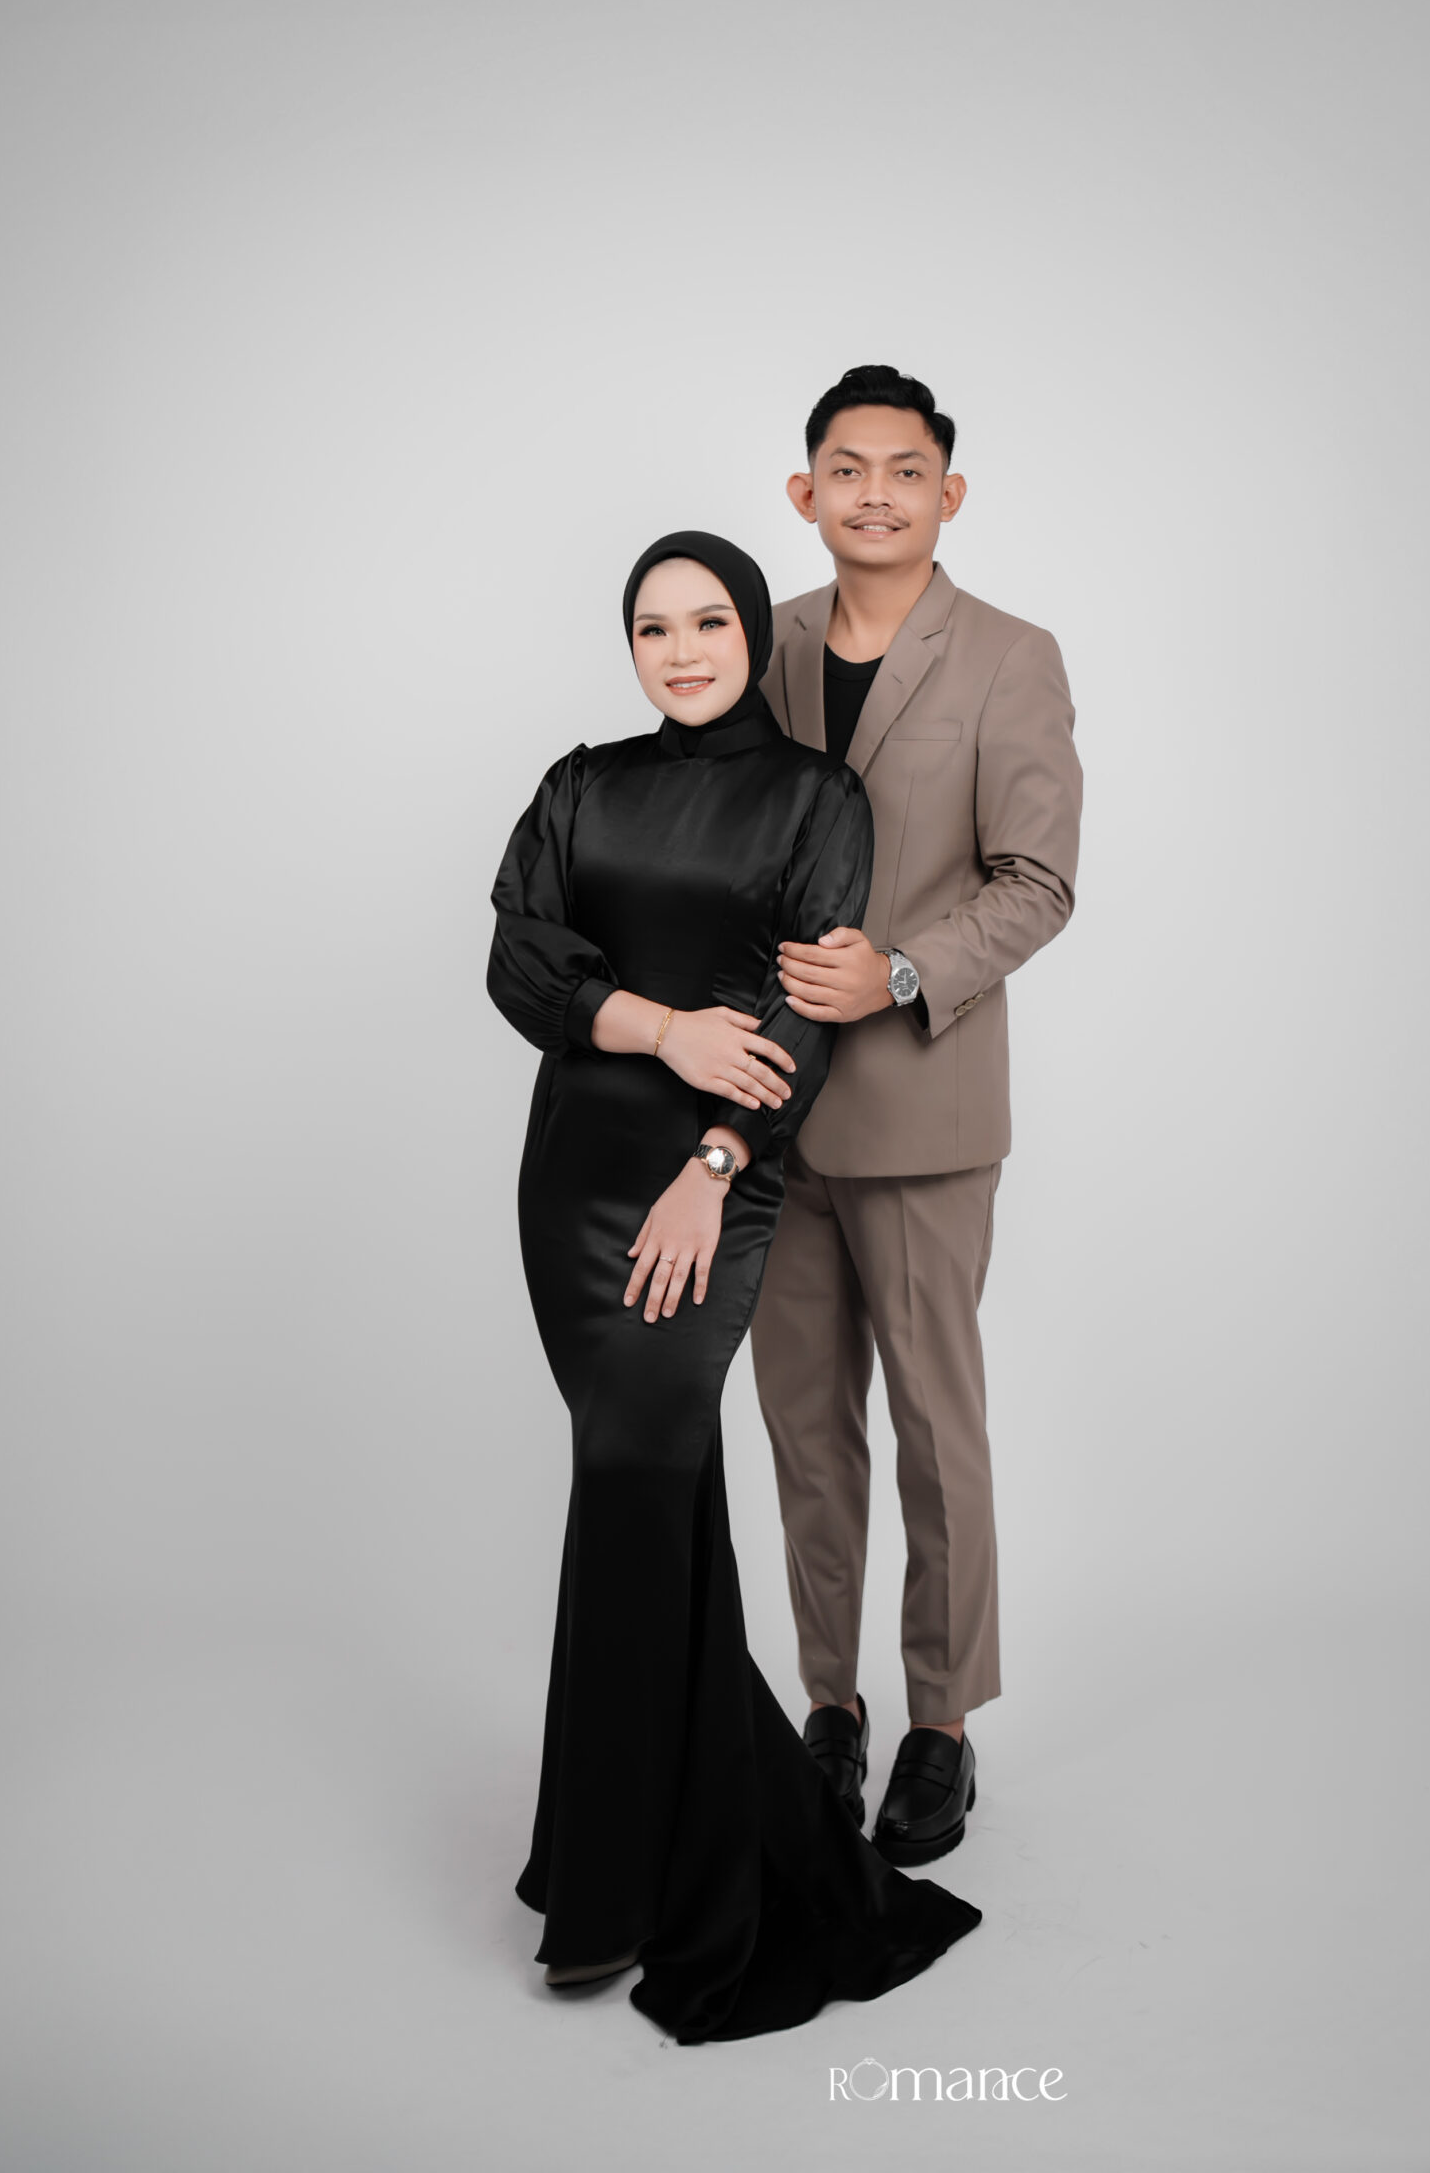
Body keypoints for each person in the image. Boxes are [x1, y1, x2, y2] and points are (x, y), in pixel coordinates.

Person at [485, 529, 981, 2044]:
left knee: (638, 1481)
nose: (683, 650)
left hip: (709, 1176)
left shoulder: (817, 799)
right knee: (643, 1493)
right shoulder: (580, 785)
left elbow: (800, 1017)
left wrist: (712, 1160)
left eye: (709, 622)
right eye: (654, 628)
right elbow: (518, 963)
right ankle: (635, 1846)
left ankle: (615, 1884)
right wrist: (657, 1026)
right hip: (575, 1176)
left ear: (752, 636)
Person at [753, 366, 1082, 1865]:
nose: (873, 493)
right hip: (772, 1109)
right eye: (846, 468)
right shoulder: (759, 644)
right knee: (805, 1434)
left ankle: (941, 1724)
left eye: (903, 471)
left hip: (924, 1109)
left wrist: (895, 971)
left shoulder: (1011, 657)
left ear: (948, 495)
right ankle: (831, 1708)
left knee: (936, 1432)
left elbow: (1038, 883)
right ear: (804, 492)